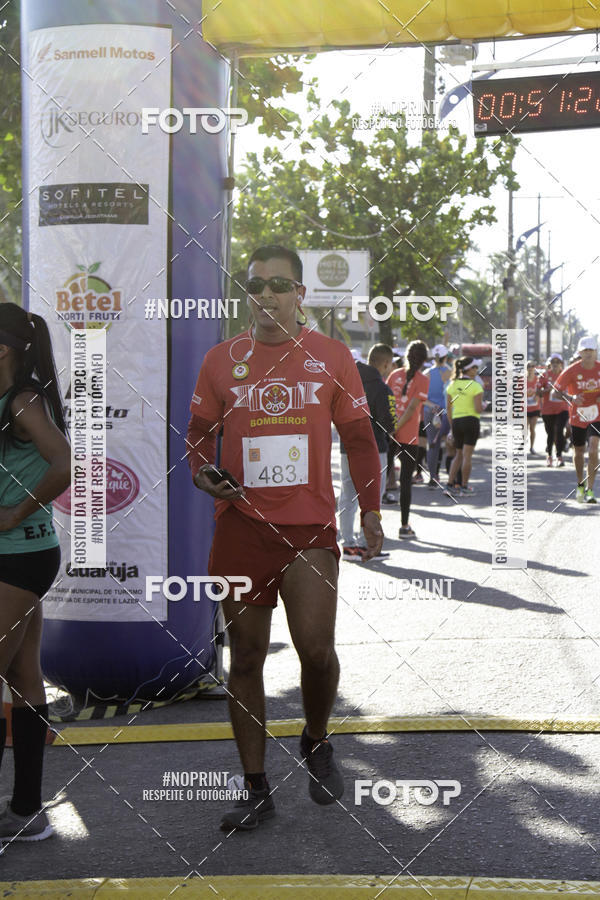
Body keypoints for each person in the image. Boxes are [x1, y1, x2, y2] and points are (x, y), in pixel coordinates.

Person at [186, 245, 383, 831]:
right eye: (255, 285)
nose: (265, 294)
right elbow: (197, 437)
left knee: (316, 650)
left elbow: (359, 440)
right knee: (245, 658)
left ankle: (317, 738)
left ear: (301, 294)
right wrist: (203, 471)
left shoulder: (330, 356)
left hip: (309, 529)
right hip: (243, 527)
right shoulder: (222, 360)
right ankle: (255, 788)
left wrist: (370, 510)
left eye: (278, 284)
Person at [0, 303, 70, 844]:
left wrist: (16, 511)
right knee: (23, 681)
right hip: (19, 554)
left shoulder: (23, 401)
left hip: (19, 554)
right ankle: (27, 814)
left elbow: (64, 462)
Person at [339, 343, 397, 557]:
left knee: (347, 495)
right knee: (372, 497)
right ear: (384, 364)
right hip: (375, 450)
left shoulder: (348, 381)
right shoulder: (383, 389)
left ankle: (347, 543)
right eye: (390, 365)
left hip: (346, 447)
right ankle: (366, 542)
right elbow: (390, 424)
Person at [386, 340, 429, 538]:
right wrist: (397, 428)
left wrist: (390, 428)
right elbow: (412, 408)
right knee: (405, 483)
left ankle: (370, 528)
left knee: (380, 479)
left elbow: (388, 403)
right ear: (423, 360)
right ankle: (404, 527)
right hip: (409, 437)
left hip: (388, 434)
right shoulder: (423, 379)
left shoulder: (394, 375)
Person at [553, 336, 600, 503]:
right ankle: (580, 484)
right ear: (580, 352)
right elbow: (555, 393)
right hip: (577, 416)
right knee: (579, 452)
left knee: (593, 449)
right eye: (585, 350)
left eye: (591, 350)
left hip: (596, 415)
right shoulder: (571, 371)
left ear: (596, 352)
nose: (588, 353)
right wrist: (571, 398)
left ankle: (590, 489)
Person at [445, 356, 484, 495]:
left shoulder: (452, 385)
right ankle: (464, 487)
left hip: (456, 422)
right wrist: (484, 405)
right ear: (470, 370)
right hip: (471, 421)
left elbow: (448, 410)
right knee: (467, 456)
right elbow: (478, 409)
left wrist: (451, 427)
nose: (477, 370)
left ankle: (449, 485)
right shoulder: (476, 386)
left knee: (458, 455)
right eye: (475, 367)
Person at [423, 344, 451, 489]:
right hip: (446, 412)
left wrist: (433, 407)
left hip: (429, 411)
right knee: (450, 444)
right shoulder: (450, 373)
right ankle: (453, 480)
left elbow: (421, 396)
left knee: (432, 444)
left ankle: (433, 477)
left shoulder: (426, 373)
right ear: (446, 357)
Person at [537, 354, 568, 467]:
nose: (555, 365)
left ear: (561, 364)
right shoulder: (545, 375)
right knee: (550, 433)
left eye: (558, 363)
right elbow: (537, 392)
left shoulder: (565, 375)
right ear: (550, 364)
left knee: (559, 431)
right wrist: (548, 390)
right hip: (548, 410)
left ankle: (559, 456)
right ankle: (549, 456)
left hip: (562, 408)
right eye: (553, 363)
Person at [526, 361, 541, 454]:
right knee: (524, 429)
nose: (531, 368)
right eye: (529, 366)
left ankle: (531, 447)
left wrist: (536, 394)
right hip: (525, 408)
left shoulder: (538, 380)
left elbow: (540, 391)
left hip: (535, 407)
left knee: (532, 428)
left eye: (532, 366)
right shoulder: (522, 380)